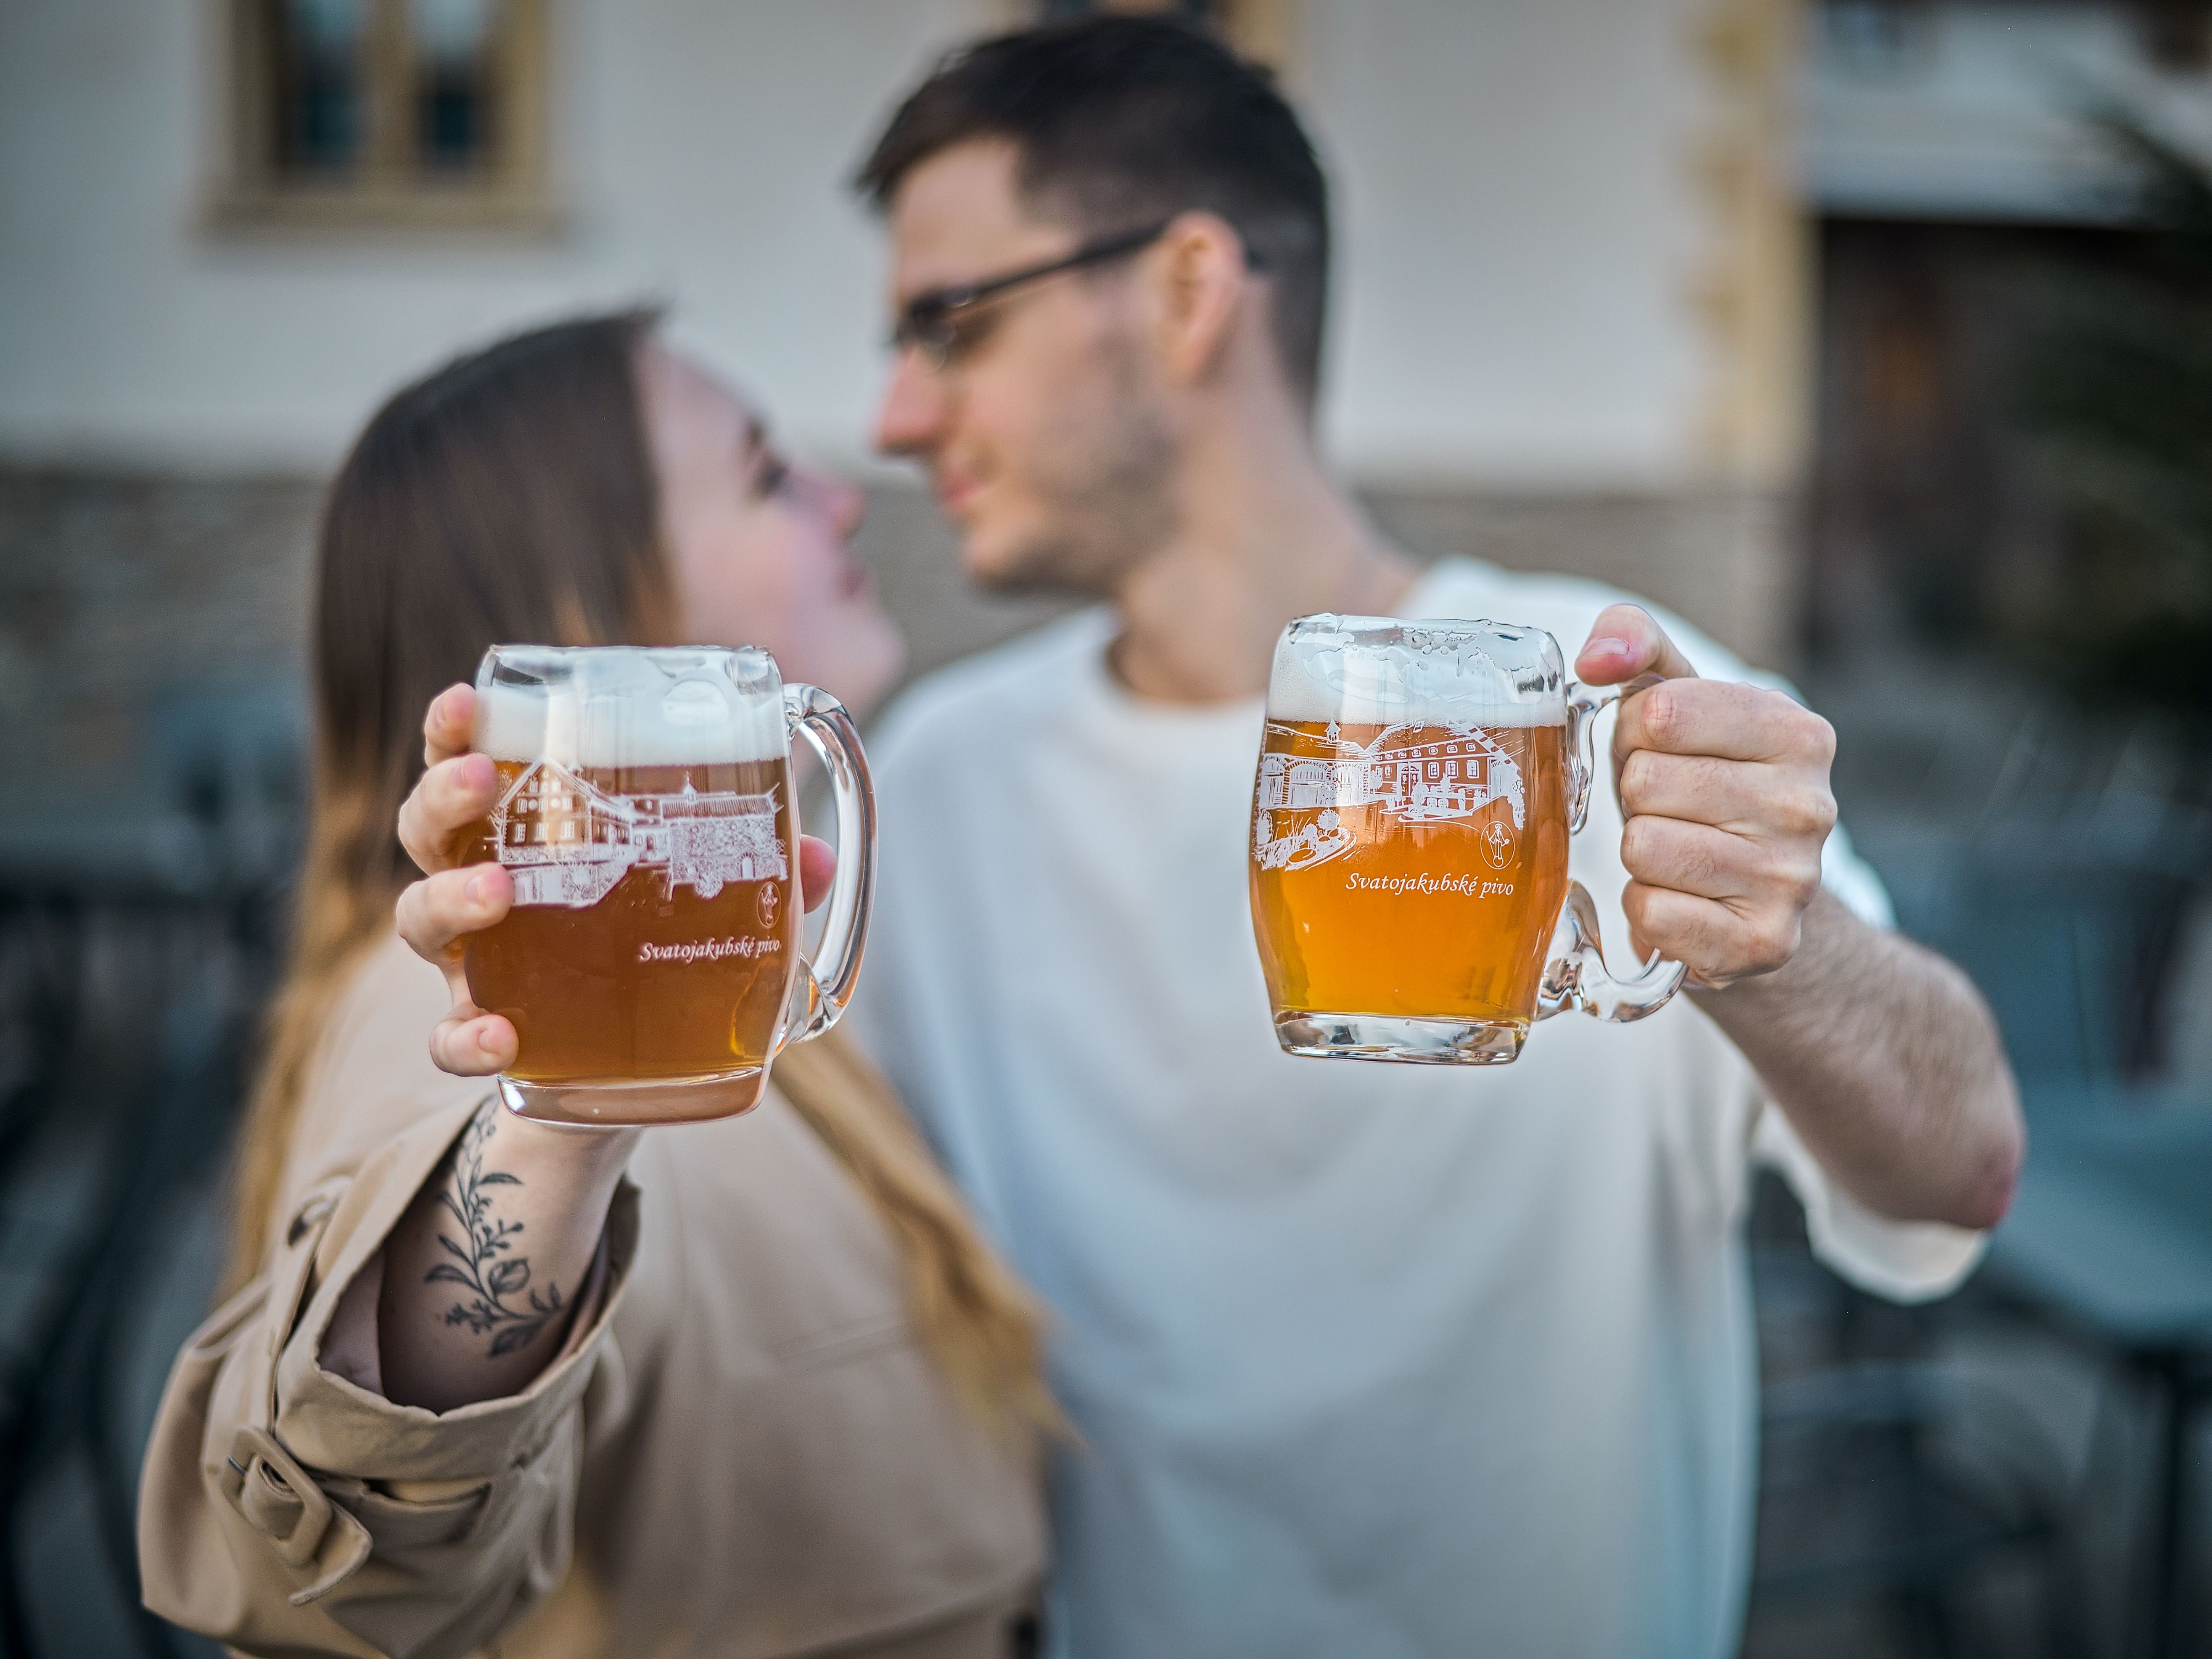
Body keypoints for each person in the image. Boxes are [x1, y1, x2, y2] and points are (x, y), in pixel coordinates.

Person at [833, 18, 2025, 1657]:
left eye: (949, 327)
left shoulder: (1584, 699)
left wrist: (1784, 942)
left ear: (1186, 294)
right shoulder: (944, 781)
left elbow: (1958, 1170)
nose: (895, 415)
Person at [137, 313, 1052, 1659]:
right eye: (763, 477)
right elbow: (340, 1552)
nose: (845, 495)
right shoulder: (468, 1016)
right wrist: (551, 1124)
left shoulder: (696, 986)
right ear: (591, 625)